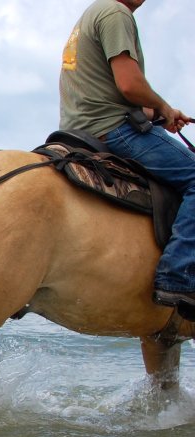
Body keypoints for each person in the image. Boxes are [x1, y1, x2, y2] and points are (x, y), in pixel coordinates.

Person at [60, 0, 195, 309]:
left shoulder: (92, 14)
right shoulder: (116, 13)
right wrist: (162, 106)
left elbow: (115, 93)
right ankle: (178, 276)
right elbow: (130, 85)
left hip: (82, 127)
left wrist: (163, 114)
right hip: (114, 129)